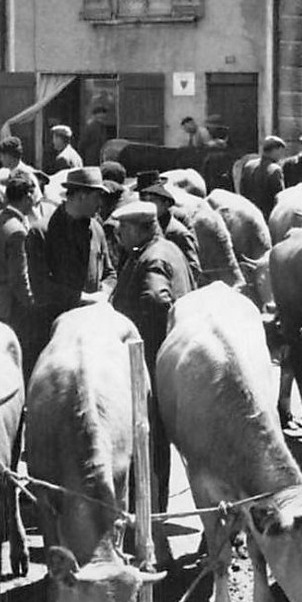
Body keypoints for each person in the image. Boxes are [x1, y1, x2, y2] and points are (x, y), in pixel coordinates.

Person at [107, 197, 190, 550]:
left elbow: (158, 301)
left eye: (122, 228)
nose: (118, 234)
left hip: (149, 365)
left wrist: (135, 333)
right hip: (165, 365)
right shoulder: (169, 249)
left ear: (139, 228)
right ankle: (154, 521)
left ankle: (150, 530)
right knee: (156, 449)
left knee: (148, 448)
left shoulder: (152, 258)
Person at [41, 166, 115, 325]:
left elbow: (110, 272)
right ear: (81, 196)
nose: (100, 203)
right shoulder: (43, 232)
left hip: (92, 321)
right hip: (57, 325)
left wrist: (105, 291)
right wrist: (85, 298)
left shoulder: (96, 229)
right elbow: (42, 287)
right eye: (97, 197)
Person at [0, 170, 49, 376]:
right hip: (14, 305)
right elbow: (20, 277)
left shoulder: (0, 219)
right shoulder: (17, 231)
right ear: (26, 197)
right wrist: (32, 304)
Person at [139, 180, 204, 288]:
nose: (147, 204)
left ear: (166, 204)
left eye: (152, 200)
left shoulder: (177, 233)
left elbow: (194, 268)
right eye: (145, 200)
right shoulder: (146, 227)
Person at [240, 136, 288, 216]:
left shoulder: (249, 165)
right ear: (275, 150)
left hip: (248, 212)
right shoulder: (275, 170)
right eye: (281, 151)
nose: (281, 156)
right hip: (266, 214)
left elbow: (242, 190)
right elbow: (279, 196)